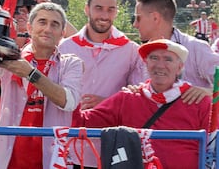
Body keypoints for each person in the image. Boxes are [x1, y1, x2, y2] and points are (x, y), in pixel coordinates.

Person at [72, 39, 211, 168]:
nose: (160, 65)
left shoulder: (199, 101)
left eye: (168, 59)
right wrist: (70, 86)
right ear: (146, 63)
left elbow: (212, 147)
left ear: (180, 67)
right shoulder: (127, 98)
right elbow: (82, 122)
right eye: (154, 58)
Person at [0, 2, 83, 169]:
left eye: (54, 24)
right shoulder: (11, 58)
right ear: (29, 27)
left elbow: (69, 102)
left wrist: (30, 73)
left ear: (62, 33)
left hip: (52, 161)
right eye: (42, 22)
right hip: (6, 161)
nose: (47, 29)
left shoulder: (71, 63)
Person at [58, 0, 145, 168]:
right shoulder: (64, 48)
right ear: (87, 9)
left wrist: (107, 103)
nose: (104, 15)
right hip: (69, 147)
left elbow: (139, 97)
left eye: (110, 9)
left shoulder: (131, 50)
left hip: (111, 147)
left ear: (116, 12)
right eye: (98, 8)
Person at [133, 0, 219, 89]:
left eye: (138, 18)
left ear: (155, 18)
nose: (135, 24)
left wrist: (209, 94)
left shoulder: (196, 49)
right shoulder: (136, 54)